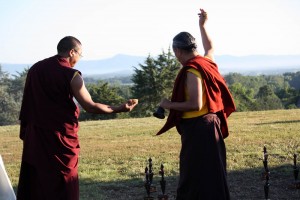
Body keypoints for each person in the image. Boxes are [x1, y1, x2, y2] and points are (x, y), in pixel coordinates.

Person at [17, 36, 138, 200]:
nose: (79, 59)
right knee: (63, 182)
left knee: (38, 181)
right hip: (59, 139)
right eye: (80, 55)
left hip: (36, 135)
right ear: (72, 52)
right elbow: (90, 105)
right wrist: (120, 108)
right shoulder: (71, 75)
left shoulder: (36, 69)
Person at [156, 9, 236, 200]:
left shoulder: (192, 70)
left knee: (195, 176)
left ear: (177, 50)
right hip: (210, 126)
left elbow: (194, 103)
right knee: (212, 173)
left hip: (199, 128)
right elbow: (210, 48)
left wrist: (169, 104)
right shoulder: (206, 62)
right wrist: (203, 25)